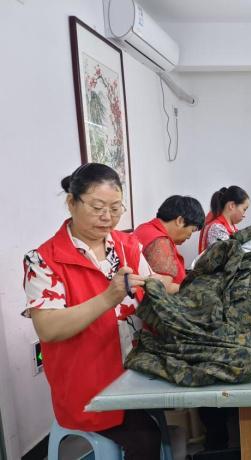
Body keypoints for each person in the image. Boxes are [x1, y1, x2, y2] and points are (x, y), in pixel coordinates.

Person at [22, 163, 166, 459]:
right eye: (98, 207)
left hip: (136, 370)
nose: (107, 217)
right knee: (145, 438)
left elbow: (152, 289)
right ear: (71, 202)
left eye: (115, 208)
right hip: (87, 385)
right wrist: (108, 297)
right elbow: (48, 328)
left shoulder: (127, 246)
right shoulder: (44, 260)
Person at [134, 195, 205, 293]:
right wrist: (194, 288)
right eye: (192, 230)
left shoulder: (144, 228)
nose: (189, 236)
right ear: (180, 221)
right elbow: (164, 288)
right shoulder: (160, 241)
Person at [198, 186, 250, 253]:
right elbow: (230, 256)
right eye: (244, 209)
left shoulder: (232, 227)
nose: (244, 214)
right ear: (232, 205)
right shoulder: (217, 228)